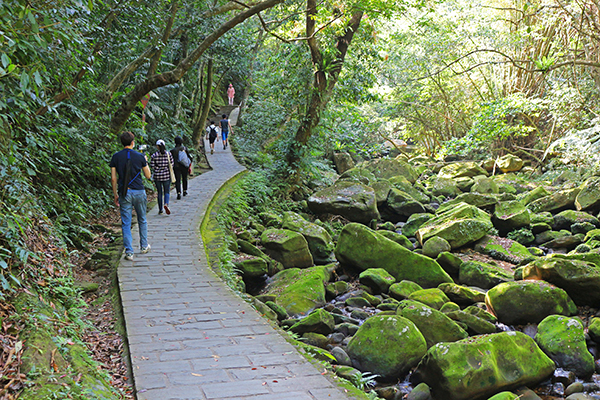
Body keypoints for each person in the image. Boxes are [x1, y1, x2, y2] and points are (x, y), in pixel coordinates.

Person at [110, 131, 152, 261]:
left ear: (122, 143)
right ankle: (144, 246)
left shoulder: (116, 157)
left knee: (126, 222)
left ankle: (129, 252)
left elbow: (113, 178)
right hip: (139, 191)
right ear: (132, 142)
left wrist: (115, 194)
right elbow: (148, 175)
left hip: (124, 192)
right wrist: (145, 162)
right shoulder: (139, 156)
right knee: (142, 219)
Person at [150, 139, 173, 215]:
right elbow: (171, 164)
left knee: (159, 192)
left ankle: (160, 209)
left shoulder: (154, 155)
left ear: (157, 147)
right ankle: (166, 203)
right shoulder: (168, 154)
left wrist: (158, 169)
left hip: (157, 176)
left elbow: (152, 166)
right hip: (166, 175)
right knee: (167, 191)